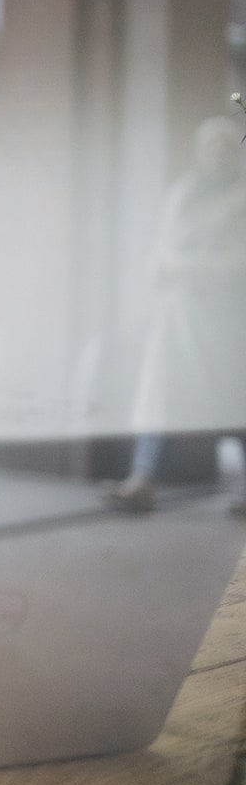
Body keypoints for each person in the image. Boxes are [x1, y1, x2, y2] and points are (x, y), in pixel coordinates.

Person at [106, 115, 246, 514]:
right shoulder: (181, 193)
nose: (217, 153)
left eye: (225, 146)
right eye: (210, 146)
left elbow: (240, 261)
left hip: (224, 319)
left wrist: (187, 266)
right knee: (158, 398)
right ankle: (142, 479)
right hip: (174, 316)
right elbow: (159, 250)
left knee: (234, 402)